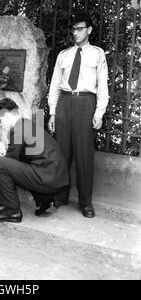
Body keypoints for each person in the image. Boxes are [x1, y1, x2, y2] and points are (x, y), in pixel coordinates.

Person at [48, 12, 109, 218]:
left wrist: (99, 112)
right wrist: (53, 112)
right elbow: (55, 85)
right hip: (65, 101)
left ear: (89, 30)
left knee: (84, 154)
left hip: (85, 103)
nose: (76, 33)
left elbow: (102, 86)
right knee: (62, 152)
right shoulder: (64, 55)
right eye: (74, 29)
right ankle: (60, 196)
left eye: (80, 29)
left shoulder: (97, 54)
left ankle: (85, 202)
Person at [0, 98, 69, 223]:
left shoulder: (18, 129)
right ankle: (45, 200)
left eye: (0, 120)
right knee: (22, 165)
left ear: (8, 115)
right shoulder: (27, 124)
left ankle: (12, 210)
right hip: (55, 178)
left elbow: (9, 162)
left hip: (47, 178)